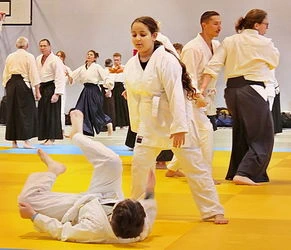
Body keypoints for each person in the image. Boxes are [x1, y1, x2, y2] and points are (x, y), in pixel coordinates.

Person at [125, 16, 228, 224]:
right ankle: (137, 209)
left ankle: (212, 209)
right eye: (134, 34)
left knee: (194, 165)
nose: (138, 38)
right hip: (148, 121)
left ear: (154, 36)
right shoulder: (131, 64)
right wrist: (136, 125)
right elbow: (134, 95)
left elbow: (176, 94)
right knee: (140, 165)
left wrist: (180, 127)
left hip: (173, 117)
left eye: (143, 34)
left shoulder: (167, 59)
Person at [18, 110, 156, 243]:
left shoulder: (94, 229)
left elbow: (62, 231)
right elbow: (148, 210)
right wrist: (149, 191)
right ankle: (77, 135)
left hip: (78, 208)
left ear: (111, 218)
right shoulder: (141, 226)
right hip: (107, 195)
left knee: (27, 200)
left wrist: (34, 215)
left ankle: (53, 170)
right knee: (112, 161)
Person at [201, 9, 280, 185]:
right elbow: (275, 61)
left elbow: (213, 66)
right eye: (266, 24)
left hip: (232, 91)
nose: (267, 28)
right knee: (263, 135)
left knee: (242, 133)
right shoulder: (264, 42)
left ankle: (237, 170)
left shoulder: (230, 41)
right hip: (252, 90)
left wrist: (202, 89)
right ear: (256, 24)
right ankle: (246, 173)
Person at [166, 11, 222, 179]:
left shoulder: (216, 45)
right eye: (215, 23)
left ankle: (173, 167)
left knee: (192, 135)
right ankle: (205, 175)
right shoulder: (192, 48)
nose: (219, 27)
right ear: (204, 25)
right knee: (206, 131)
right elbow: (187, 76)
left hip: (205, 95)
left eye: (220, 23)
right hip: (190, 98)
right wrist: (197, 95)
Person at [2, 36, 41, 148]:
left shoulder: (10, 56)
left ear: (16, 45)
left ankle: (13, 142)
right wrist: (37, 91)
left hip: (11, 84)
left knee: (12, 111)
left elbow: (5, 73)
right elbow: (33, 73)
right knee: (26, 112)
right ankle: (26, 141)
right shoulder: (29, 56)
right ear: (27, 46)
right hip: (23, 84)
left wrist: (6, 86)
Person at [71, 50, 113, 136]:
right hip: (86, 90)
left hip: (94, 91)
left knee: (95, 111)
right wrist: (68, 75)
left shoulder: (97, 67)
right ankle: (79, 132)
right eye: (88, 54)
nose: (89, 56)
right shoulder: (82, 67)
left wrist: (109, 88)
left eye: (91, 55)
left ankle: (108, 123)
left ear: (94, 58)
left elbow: (106, 77)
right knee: (79, 110)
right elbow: (73, 75)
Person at [36, 39, 66, 145]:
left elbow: (60, 76)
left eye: (44, 45)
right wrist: (36, 90)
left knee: (52, 113)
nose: (42, 48)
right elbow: (37, 75)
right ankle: (45, 136)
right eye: (41, 46)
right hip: (42, 87)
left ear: (50, 47)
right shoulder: (38, 58)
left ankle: (52, 138)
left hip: (52, 87)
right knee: (43, 112)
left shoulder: (55, 59)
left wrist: (57, 93)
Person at [110, 52, 130, 129]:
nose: (116, 61)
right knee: (114, 106)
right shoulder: (111, 69)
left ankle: (124, 123)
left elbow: (126, 78)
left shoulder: (124, 68)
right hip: (114, 87)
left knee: (123, 106)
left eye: (117, 60)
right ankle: (116, 123)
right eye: (115, 60)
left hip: (121, 87)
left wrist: (126, 88)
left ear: (120, 60)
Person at [56, 50, 73, 133]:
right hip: (52, 89)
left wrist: (68, 75)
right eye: (57, 56)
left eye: (60, 56)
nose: (59, 57)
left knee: (61, 110)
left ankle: (62, 129)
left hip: (62, 90)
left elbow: (71, 81)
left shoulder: (66, 68)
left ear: (63, 58)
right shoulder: (53, 66)